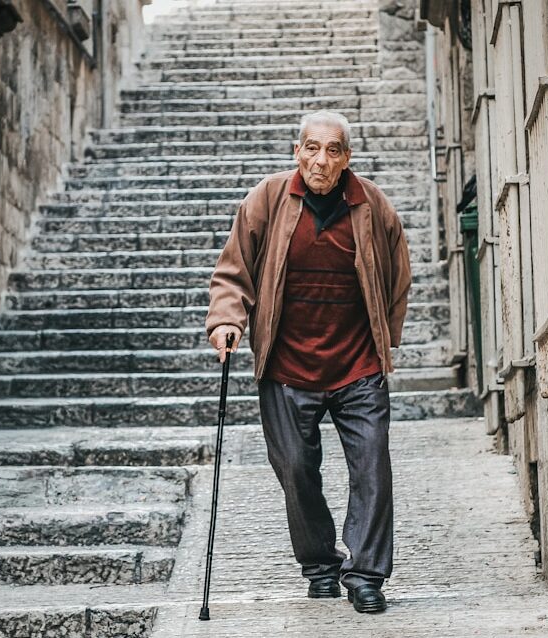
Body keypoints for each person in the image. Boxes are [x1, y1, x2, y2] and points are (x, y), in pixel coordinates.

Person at [206, 110, 411, 614]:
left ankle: (366, 575)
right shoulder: (267, 199)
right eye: (312, 148)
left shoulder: (372, 205)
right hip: (287, 367)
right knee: (296, 469)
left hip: (357, 364)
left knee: (373, 467)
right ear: (297, 152)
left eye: (333, 150)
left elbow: (397, 275)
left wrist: (383, 339)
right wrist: (227, 320)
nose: (321, 160)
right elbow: (234, 270)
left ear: (347, 158)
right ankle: (320, 565)